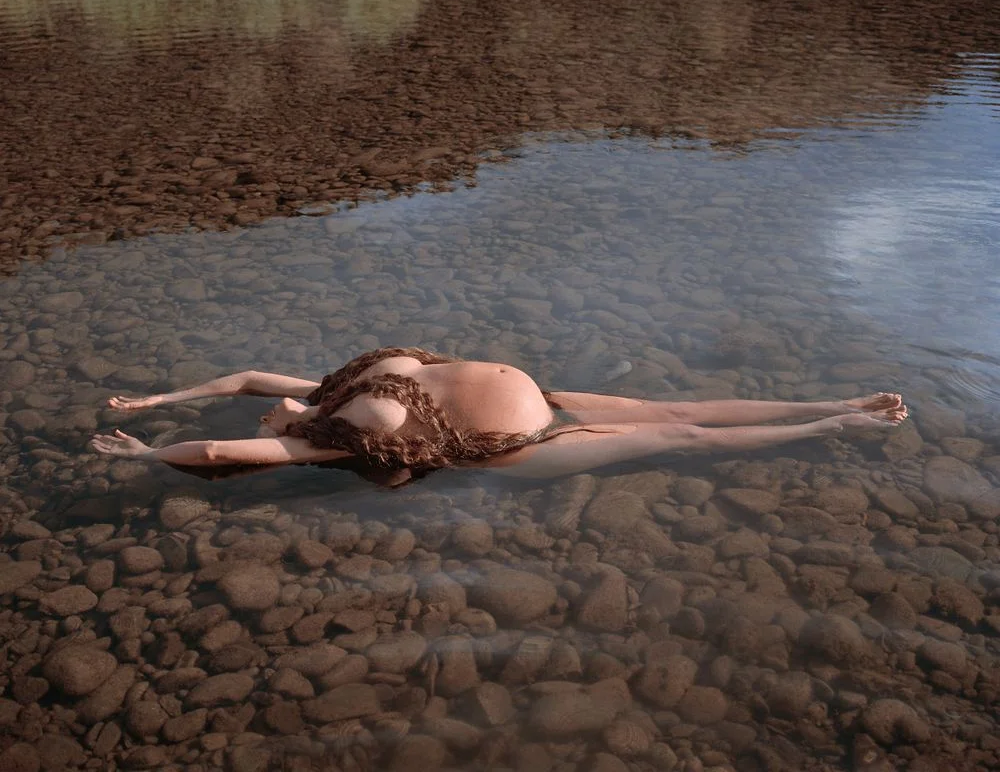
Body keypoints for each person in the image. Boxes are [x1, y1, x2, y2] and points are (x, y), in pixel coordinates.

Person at [90, 346, 908, 484]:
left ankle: (836, 402)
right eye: (272, 423)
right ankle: (831, 423)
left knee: (681, 413)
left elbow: (244, 381)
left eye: (271, 414)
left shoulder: (328, 397)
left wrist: (159, 403)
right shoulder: (329, 436)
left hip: (542, 402)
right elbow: (221, 453)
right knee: (679, 430)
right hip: (517, 441)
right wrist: (143, 454)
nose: (270, 412)